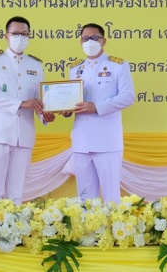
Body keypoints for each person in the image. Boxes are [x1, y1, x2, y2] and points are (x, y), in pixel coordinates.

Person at [0, 16, 54, 204]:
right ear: (6, 36)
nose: (19, 38)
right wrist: (22, 104)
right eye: (15, 34)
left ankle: (14, 223)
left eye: (24, 34)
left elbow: (38, 97)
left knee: (16, 191)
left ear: (29, 36)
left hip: (24, 133)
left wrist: (45, 114)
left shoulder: (35, 64)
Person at [64, 23, 134, 203]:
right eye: (85, 38)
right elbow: (72, 99)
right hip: (82, 139)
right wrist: (65, 109)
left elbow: (128, 96)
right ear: (80, 41)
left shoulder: (118, 65)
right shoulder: (75, 69)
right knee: (85, 199)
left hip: (107, 140)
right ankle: (88, 224)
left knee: (111, 197)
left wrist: (97, 106)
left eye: (94, 38)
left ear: (103, 41)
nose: (90, 42)